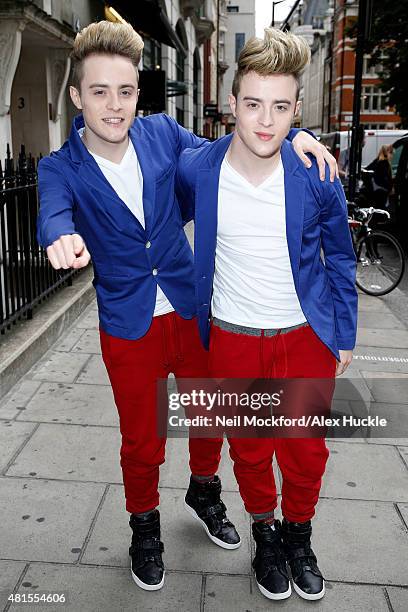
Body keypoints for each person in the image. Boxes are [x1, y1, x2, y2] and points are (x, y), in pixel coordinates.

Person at [36, 20, 338, 592]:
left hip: (191, 309)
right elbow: (52, 210)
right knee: (142, 436)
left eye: (125, 91)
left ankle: (204, 490)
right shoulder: (60, 168)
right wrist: (58, 234)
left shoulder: (163, 134)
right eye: (99, 91)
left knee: (212, 417)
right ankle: (144, 527)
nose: (115, 105)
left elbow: (231, 155)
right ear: (77, 96)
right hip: (129, 324)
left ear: (137, 94)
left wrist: (288, 134)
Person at [176, 28, 358, 602]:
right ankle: (265, 533)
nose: (265, 120)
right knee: (251, 451)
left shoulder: (316, 173)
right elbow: (126, 137)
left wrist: (343, 333)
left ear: (296, 110)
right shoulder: (198, 169)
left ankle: (299, 537)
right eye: (252, 104)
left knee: (306, 450)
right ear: (232, 104)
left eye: (281, 108)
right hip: (233, 338)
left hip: (305, 338)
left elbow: (341, 257)